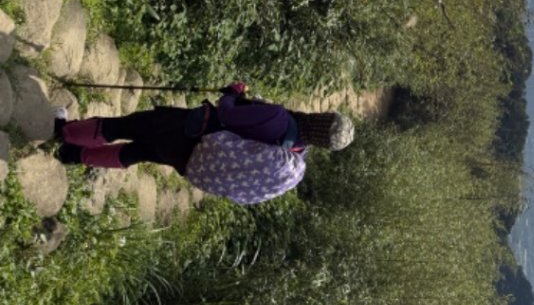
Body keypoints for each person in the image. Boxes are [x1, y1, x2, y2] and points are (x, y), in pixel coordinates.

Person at [54, 83, 355, 204]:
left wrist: (233, 92)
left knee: (127, 126)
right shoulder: (295, 156)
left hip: (191, 131)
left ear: (322, 116)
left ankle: (66, 133)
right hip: (192, 160)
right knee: (138, 152)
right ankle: (75, 156)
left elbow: (228, 113)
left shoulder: (279, 119)